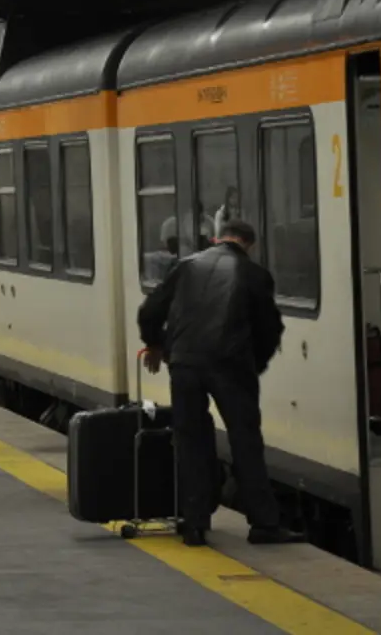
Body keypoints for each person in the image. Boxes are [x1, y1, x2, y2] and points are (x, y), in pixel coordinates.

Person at [137, 219, 300, 546]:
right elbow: (270, 329)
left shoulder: (186, 266)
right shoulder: (254, 274)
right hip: (230, 366)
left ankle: (195, 524)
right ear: (248, 244)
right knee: (245, 442)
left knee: (191, 440)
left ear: (217, 238)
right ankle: (264, 524)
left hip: (184, 365)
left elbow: (150, 311)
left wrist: (157, 346)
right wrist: (255, 364)